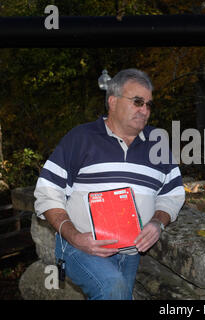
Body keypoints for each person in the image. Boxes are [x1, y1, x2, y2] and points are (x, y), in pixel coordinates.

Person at [34, 68, 185, 300]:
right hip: (79, 245)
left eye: (148, 104)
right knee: (112, 289)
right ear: (112, 102)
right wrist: (74, 236)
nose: (144, 110)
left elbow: (172, 194)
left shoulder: (158, 144)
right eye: (137, 102)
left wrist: (158, 223)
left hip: (130, 250)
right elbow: (48, 190)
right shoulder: (81, 138)